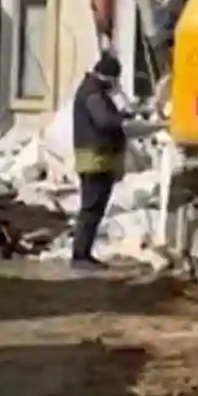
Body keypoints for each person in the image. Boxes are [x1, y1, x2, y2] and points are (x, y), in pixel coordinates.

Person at [69, 52, 129, 269]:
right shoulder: (93, 94)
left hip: (96, 159)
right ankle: (80, 256)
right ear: (109, 77)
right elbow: (105, 121)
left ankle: (84, 253)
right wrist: (123, 120)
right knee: (91, 209)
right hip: (95, 160)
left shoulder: (91, 90)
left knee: (93, 209)